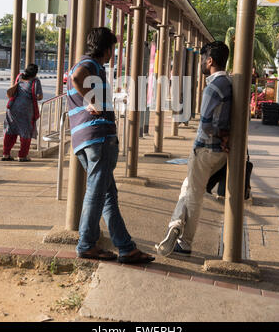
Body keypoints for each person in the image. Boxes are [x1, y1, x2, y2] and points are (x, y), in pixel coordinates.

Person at [67, 26, 154, 264]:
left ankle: (126, 247)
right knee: (98, 192)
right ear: (107, 49)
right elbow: (77, 78)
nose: (112, 54)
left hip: (85, 139)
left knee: (107, 194)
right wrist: (91, 99)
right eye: (113, 49)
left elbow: (75, 77)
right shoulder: (91, 64)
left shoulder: (83, 64)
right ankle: (86, 244)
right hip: (98, 137)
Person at [156, 41, 232, 256]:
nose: (200, 63)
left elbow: (207, 122)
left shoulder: (214, 86)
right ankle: (176, 225)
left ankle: (185, 241)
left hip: (205, 149)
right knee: (188, 188)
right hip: (220, 151)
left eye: (202, 59)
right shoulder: (229, 83)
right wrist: (225, 136)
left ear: (210, 61)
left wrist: (218, 135)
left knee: (193, 195)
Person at [2, 63, 43, 162]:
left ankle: (6, 154)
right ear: (35, 73)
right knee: (25, 132)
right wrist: (36, 96)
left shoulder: (19, 77)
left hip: (12, 109)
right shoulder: (35, 81)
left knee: (10, 130)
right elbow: (39, 96)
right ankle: (22, 156)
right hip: (26, 111)